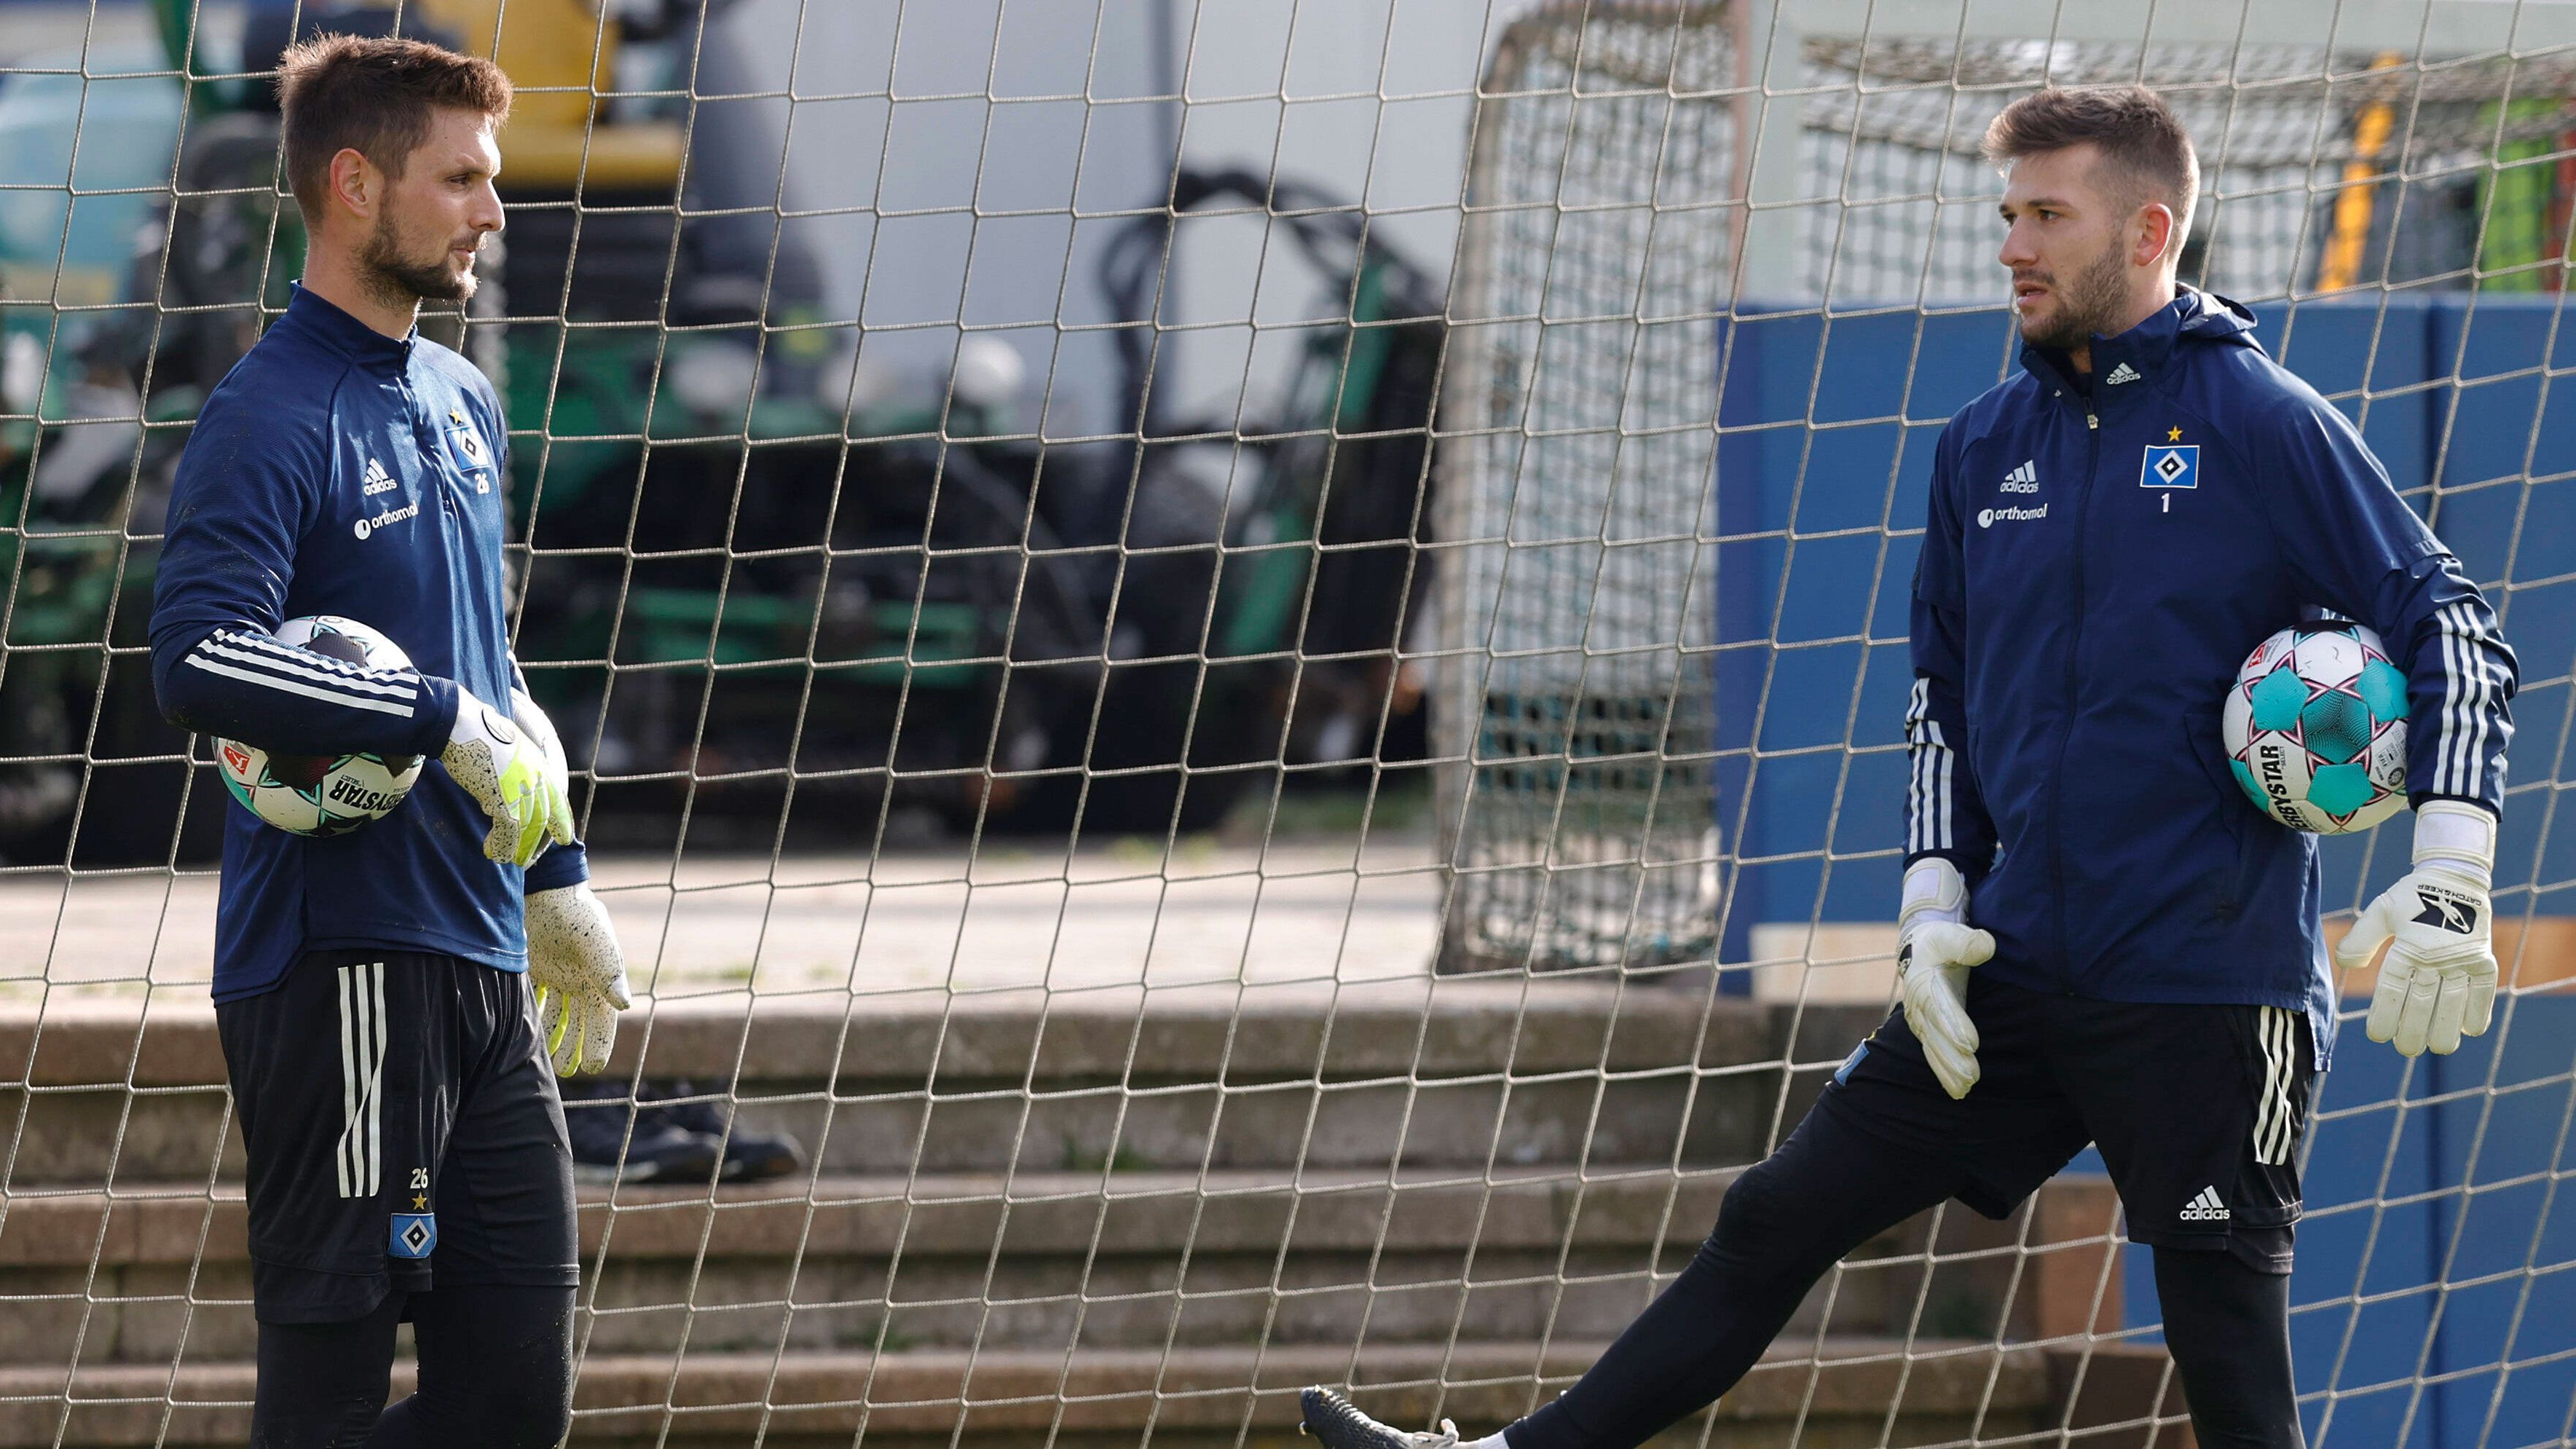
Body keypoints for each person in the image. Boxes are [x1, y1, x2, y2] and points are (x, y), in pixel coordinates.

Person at [1300, 84, 2517, 1449]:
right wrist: (1936, 906)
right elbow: (1939, 702)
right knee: (1773, 1215)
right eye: (2008, 215)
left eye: (2048, 215)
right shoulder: (1981, 444)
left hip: (2204, 986)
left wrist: (2452, 875)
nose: (2014, 245)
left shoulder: (2262, 419)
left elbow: (2456, 630)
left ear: (2148, 228)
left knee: (2221, 1351)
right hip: (2011, 971)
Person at [149, 33, 635, 1448]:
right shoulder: (266, 414)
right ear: (355, 184)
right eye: (463, 177)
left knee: (509, 1401)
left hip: (482, 957)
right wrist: (430, 717)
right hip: (340, 967)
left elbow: (489, 673)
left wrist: (556, 870)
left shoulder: (460, 395)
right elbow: (200, 659)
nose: (494, 208)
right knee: (330, 1401)